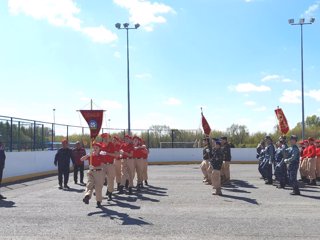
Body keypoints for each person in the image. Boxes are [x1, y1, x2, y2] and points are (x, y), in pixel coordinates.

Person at [81, 142, 106, 208]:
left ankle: (98, 201)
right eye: (94, 148)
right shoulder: (91, 156)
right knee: (89, 184)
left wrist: (94, 167)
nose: (95, 149)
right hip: (91, 172)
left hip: (99, 173)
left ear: (99, 149)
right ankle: (87, 196)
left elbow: (102, 166)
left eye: (96, 148)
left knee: (98, 188)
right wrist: (87, 155)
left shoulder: (101, 156)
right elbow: (81, 159)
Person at [100, 133, 117, 200]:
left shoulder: (111, 145)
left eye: (106, 138)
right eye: (104, 138)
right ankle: (99, 193)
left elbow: (115, 155)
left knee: (110, 180)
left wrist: (107, 153)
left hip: (110, 164)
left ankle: (110, 193)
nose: (105, 139)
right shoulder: (101, 145)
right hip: (103, 165)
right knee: (100, 179)